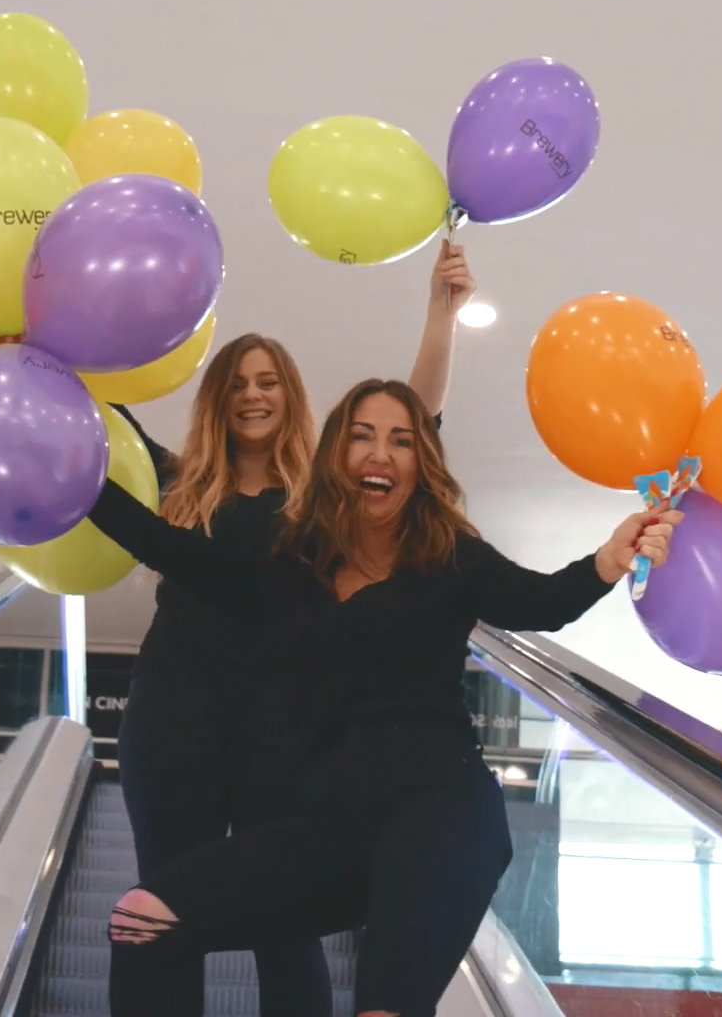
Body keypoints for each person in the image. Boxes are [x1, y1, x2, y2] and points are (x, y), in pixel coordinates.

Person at [90, 378, 679, 1017]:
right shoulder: (294, 565)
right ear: (336, 458)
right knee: (142, 918)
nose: (381, 454)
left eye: (401, 440)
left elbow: (539, 603)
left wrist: (605, 561)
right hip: (325, 830)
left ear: (420, 465)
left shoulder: (451, 558)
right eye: (362, 436)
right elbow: (169, 548)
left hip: (439, 818)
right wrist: (73, 481)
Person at [107, 242, 478, 1016]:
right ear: (218, 399)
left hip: (289, 723)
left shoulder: (324, 493)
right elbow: (95, 424)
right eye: (238, 383)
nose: (253, 394)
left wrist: (440, 315)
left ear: (291, 394)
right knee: (163, 908)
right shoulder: (177, 481)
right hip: (173, 716)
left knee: (284, 917)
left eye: (268, 381)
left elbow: (418, 418)